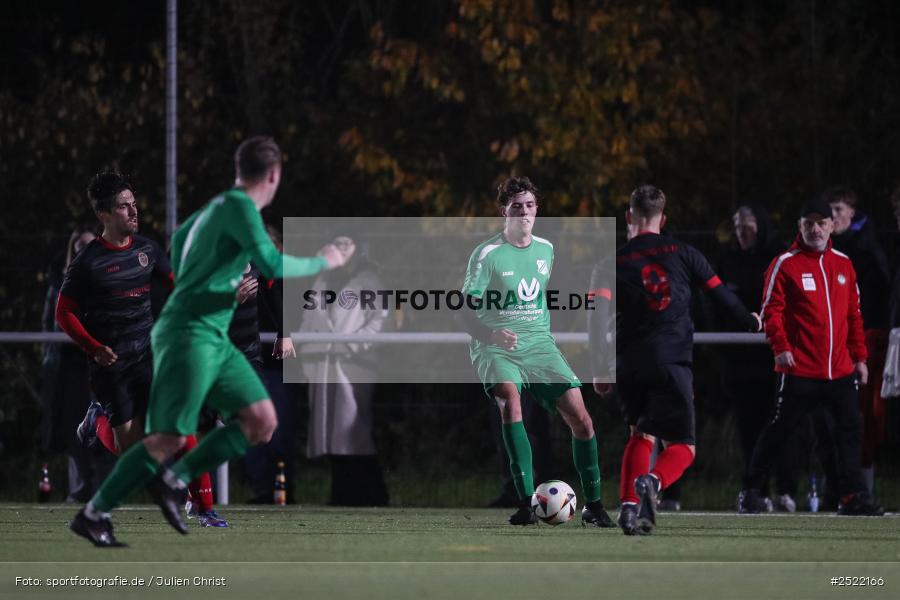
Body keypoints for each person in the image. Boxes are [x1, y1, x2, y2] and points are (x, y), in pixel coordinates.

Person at [70, 136, 352, 547]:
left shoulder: (214, 209)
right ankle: (97, 511)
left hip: (210, 335)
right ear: (273, 176)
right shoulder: (241, 209)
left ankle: (171, 481)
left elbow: (180, 245)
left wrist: (211, 285)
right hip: (190, 334)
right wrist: (327, 260)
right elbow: (272, 263)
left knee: (260, 422)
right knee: (169, 436)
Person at [589, 185, 762, 536]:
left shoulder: (609, 263)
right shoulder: (686, 253)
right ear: (663, 219)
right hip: (671, 361)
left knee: (641, 434)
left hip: (629, 361)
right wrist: (750, 320)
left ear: (628, 217)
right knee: (684, 447)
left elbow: (596, 318)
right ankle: (653, 481)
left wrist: (599, 367)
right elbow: (720, 295)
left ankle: (627, 509)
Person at [458, 176, 615, 528]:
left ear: (537, 209)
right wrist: (491, 333)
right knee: (511, 403)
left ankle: (594, 505)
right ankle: (526, 503)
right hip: (495, 346)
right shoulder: (487, 254)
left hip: (540, 346)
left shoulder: (546, 249)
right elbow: (463, 309)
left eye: (530, 205)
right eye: (517, 206)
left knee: (582, 418)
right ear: (505, 211)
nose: (525, 212)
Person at [737, 198, 885, 516]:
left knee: (849, 433)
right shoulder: (785, 263)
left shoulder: (844, 264)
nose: (815, 229)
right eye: (809, 223)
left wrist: (860, 358)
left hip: (840, 371)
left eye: (821, 223)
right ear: (800, 226)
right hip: (799, 369)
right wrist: (782, 348)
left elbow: (854, 316)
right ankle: (751, 490)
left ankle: (853, 496)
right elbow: (771, 313)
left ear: (831, 226)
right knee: (779, 432)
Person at [56, 173, 172, 456]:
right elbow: (64, 312)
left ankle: (197, 500)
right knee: (128, 450)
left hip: (147, 356)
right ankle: (97, 418)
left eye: (134, 203)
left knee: (171, 430)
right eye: (123, 206)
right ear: (103, 214)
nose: (134, 211)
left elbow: (179, 288)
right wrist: (93, 348)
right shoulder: (88, 262)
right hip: (112, 365)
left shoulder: (148, 250)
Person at [716, 205, 802, 512]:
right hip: (740, 365)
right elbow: (718, 308)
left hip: (775, 362)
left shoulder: (777, 259)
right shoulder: (727, 262)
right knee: (748, 430)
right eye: (738, 226)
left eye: (748, 225)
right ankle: (756, 490)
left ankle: (787, 490)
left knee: (781, 426)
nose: (743, 231)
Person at [299, 237, 391, 506]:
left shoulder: (370, 282)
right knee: (330, 436)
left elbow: (381, 324)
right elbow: (308, 320)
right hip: (321, 366)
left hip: (353, 367)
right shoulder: (322, 282)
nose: (340, 249)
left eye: (346, 244)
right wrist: (306, 355)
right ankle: (342, 495)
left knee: (353, 432)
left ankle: (372, 496)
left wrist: (351, 344)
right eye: (335, 243)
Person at [39, 225, 115, 501]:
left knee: (109, 425)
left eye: (88, 244)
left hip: (99, 361)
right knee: (76, 431)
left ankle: (105, 488)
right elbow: (55, 320)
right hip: (73, 365)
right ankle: (82, 488)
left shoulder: (107, 275)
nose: (84, 250)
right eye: (78, 246)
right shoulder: (62, 281)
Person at [825, 186, 891, 496]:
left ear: (852, 212)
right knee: (828, 422)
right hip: (829, 348)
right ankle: (838, 487)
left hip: (860, 346)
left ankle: (860, 488)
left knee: (861, 416)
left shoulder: (866, 251)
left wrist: (862, 348)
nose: (833, 216)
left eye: (838, 209)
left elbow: (874, 302)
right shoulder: (824, 249)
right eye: (830, 210)